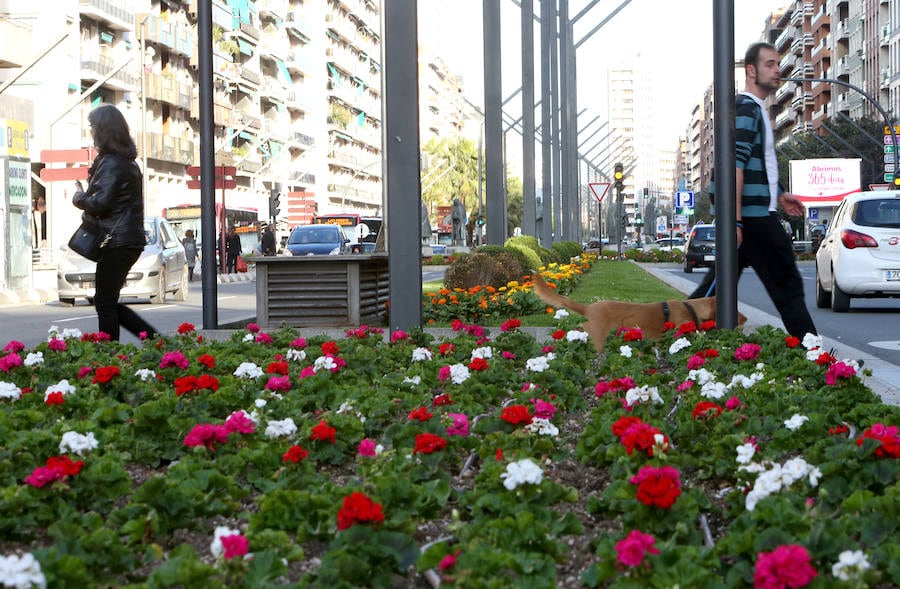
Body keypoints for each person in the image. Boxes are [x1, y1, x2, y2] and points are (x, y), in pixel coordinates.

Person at [689, 42, 816, 339]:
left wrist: (780, 193)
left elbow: (755, 162)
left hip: (751, 217)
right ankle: (816, 355)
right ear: (751, 70)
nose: (778, 70)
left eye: (778, 64)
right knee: (788, 287)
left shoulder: (754, 108)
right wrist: (734, 221)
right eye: (770, 64)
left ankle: (671, 335)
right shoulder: (746, 107)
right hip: (754, 219)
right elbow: (734, 165)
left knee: (712, 292)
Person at [72, 104, 159, 342]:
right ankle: (154, 340)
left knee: (105, 302)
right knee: (107, 301)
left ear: (103, 130)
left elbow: (100, 203)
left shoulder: (112, 162)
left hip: (116, 241)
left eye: (93, 126)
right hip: (126, 240)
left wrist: (79, 197)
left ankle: (112, 353)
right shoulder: (127, 162)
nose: (91, 132)